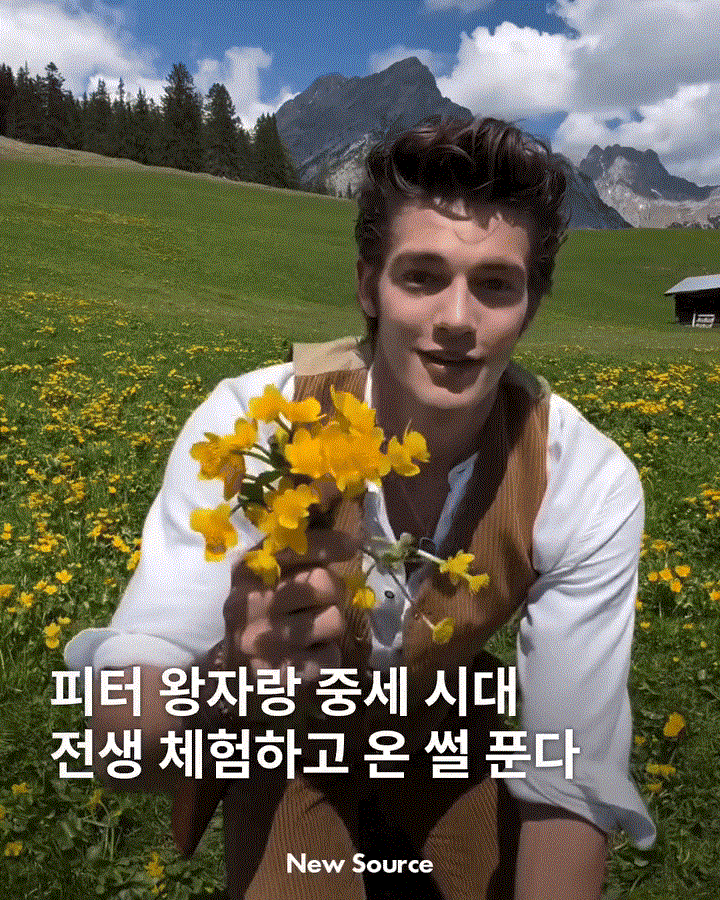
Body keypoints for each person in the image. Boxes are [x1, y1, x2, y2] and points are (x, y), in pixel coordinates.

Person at [64, 116, 655, 899]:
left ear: (531, 306)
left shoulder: (585, 479)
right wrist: (227, 675)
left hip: (447, 724)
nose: (457, 319)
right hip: (285, 738)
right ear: (367, 286)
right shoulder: (252, 428)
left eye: (495, 285)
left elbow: (570, 780)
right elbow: (120, 749)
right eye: (422, 277)